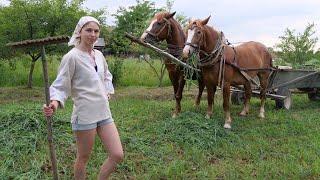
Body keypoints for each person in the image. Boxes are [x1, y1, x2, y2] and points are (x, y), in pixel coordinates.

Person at [43, 16, 124, 179]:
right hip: (85, 116)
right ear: (79, 32)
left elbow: (107, 76)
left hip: (104, 113)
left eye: (96, 31)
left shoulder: (99, 55)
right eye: (88, 30)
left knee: (117, 155)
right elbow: (60, 85)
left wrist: (107, 90)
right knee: (83, 157)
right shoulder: (71, 57)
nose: (93, 34)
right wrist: (54, 103)